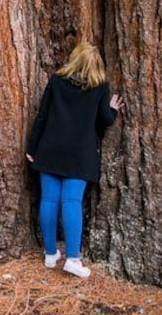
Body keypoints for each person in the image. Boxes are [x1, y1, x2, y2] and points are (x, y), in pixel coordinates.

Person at [26, 42, 124, 278]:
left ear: (74, 59)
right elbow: (104, 120)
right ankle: (72, 258)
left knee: (49, 199)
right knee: (71, 202)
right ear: (96, 64)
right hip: (80, 154)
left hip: (50, 149)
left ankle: (50, 254)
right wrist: (112, 110)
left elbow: (42, 115)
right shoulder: (100, 87)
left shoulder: (57, 81)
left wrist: (32, 147)